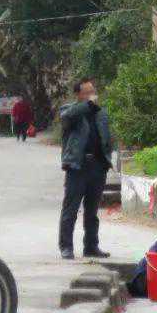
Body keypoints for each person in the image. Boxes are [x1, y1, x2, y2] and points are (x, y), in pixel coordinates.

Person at [58, 78, 114, 260]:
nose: (92, 95)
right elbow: (66, 118)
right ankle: (66, 247)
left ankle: (91, 246)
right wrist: (87, 105)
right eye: (87, 92)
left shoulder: (101, 113)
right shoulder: (69, 110)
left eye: (93, 91)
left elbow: (107, 137)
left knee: (92, 211)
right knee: (71, 209)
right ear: (78, 95)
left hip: (97, 166)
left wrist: (106, 159)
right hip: (77, 166)